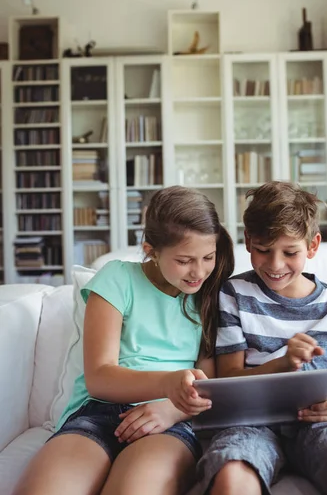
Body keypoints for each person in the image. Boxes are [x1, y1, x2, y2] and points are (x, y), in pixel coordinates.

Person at [14, 185, 234, 495]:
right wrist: (168, 383)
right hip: (99, 414)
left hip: (169, 420)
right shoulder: (118, 278)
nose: (198, 272)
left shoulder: (209, 295)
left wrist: (171, 408)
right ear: (151, 251)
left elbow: (208, 384)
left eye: (208, 257)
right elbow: (100, 377)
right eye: (184, 260)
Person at [194, 181, 327, 495]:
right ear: (248, 241)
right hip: (250, 424)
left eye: (290, 252)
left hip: (319, 424)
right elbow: (229, 378)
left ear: (313, 246)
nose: (275, 265)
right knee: (233, 467)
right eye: (263, 250)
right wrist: (283, 363)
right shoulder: (234, 295)